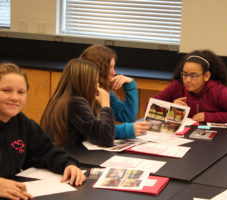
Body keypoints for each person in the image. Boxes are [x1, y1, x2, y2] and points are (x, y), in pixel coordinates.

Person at [0, 63, 86, 200]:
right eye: (6, 90)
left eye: (21, 92)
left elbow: (45, 151)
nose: (15, 98)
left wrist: (68, 164)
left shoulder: (23, 124)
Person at [153, 50, 227, 123]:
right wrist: (171, 107)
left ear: (206, 76)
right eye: (184, 74)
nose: (187, 80)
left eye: (194, 75)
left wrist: (210, 116)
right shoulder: (176, 86)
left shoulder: (218, 91)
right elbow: (150, 108)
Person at [40, 58, 115, 148]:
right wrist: (105, 104)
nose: (98, 85)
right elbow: (106, 138)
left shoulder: (60, 100)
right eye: (95, 81)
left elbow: (96, 129)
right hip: (67, 159)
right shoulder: (76, 104)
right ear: (86, 82)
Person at [80, 44, 149, 139]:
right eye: (110, 67)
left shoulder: (104, 90)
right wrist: (127, 130)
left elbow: (127, 118)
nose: (114, 72)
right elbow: (94, 130)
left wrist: (130, 86)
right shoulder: (80, 94)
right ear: (99, 70)